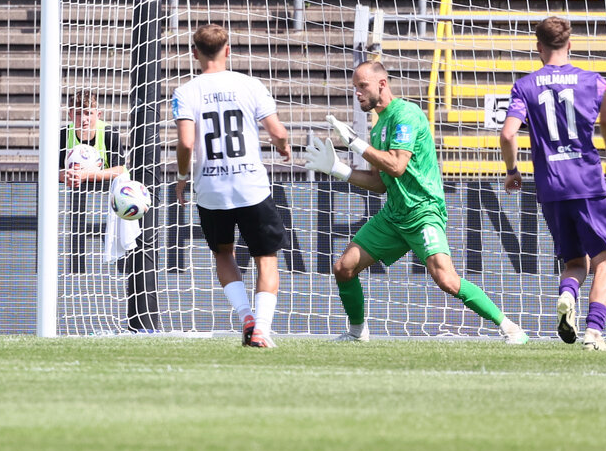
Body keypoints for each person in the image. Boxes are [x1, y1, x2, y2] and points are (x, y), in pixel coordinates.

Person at [304, 61, 529, 343]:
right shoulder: (378, 127)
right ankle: (357, 332)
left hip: (423, 211)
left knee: (446, 279)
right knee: (344, 268)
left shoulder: (406, 114)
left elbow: (397, 166)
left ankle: (510, 327)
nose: (358, 93)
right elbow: (379, 182)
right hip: (394, 215)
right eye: (355, 88)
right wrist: (339, 170)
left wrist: (354, 143)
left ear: (382, 84)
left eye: (362, 86)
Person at [500, 17, 606, 351]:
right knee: (604, 259)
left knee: (574, 263)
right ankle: (594, 333)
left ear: (538, 48)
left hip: (551, 187)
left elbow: (508, 134)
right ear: (570, 45)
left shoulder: (525, 86)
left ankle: (568, 293)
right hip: (587, 182)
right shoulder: (592, 82)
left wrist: (512, 170)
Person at [172, 24, 291, 348]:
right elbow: (277, 131)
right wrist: (283, 146)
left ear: (194, 53)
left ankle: (245, 318)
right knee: (266, 258)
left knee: (223, 252)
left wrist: (183, 176)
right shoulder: (249, 85)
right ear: (228, 50)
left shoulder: (185, 92)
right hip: (250, 184)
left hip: (211, 187)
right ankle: (262, 329)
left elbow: (185, 142)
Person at [57, 91, 127, 273]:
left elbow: (120, 169)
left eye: (88, 113)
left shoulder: (109, 133)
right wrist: (66, 176)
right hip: (75, 198)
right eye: (79, 113)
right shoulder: (64, 135)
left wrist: (87, 175)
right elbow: (54, 171)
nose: (84, 118)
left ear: (98, 114)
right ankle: (75, 269)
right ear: (70, 114)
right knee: (74, 235)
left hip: (108, 199)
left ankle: (123, 260)